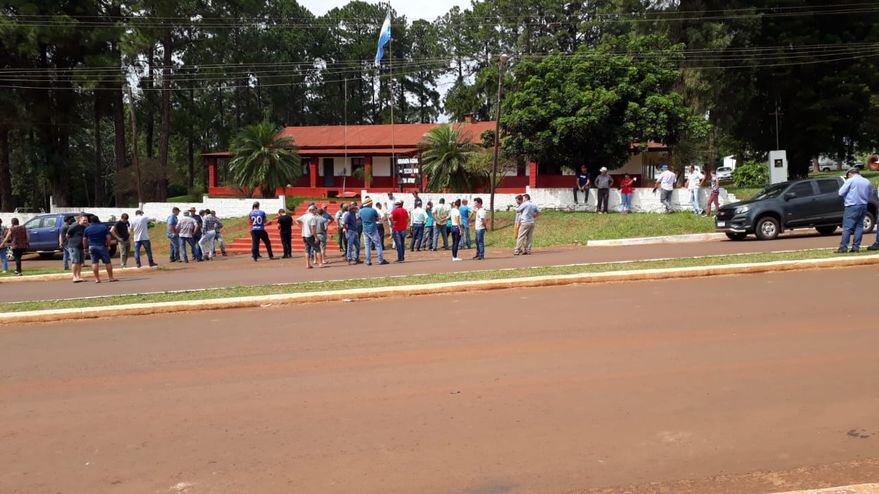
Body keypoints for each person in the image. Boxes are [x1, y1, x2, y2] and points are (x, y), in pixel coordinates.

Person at [838, 168, 874, 253]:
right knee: (859, 227)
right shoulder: (867, 181)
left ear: (850, 174)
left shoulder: (850, 180)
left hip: (852, 205)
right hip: (863, 205)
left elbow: (840, 192)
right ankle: (856, 247)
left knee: (847, 227)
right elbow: (870, 193)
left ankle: (843, 247)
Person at [83, 215, 116, 283]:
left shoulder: (87, 228)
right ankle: (111, 277)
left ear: (90, 221)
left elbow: (84, 239)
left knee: (94, 263)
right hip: (102, 246)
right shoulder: (103, 227)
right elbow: (108, 237)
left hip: (92, 246)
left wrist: (85, 247)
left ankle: (97, 279)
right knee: (107, 262)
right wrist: (108, 245)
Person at [358, 197, 388, 266]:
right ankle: (380, 260)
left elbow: (359, 218)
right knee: (378, 244)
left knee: (367, 245)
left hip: (365, 229)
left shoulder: (361, 211)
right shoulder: (373, 210)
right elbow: (377, 219)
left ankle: (368, 261)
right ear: (369, 204)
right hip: (373, 229)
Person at [67, 215, 87, 282]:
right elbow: (67, 235)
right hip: (74, 246)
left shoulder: (84, 227)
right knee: (75, 262)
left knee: (80, 262)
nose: (85, 221)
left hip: (81, 247)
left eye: (86, 220)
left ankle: (78, 276)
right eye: (84, 220)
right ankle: (74, 277)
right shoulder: (74, 226)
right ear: (79, 220)